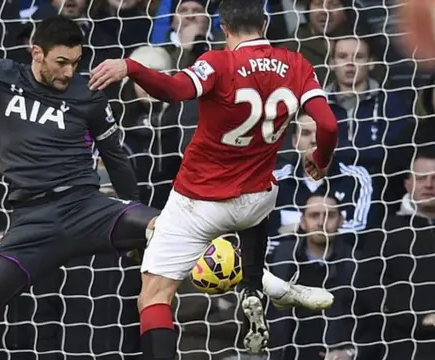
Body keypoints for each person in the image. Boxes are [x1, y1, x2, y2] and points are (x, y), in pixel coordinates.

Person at [0, 10, 334, 360]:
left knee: (174, 229)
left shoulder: (86, 94)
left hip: (89, 206)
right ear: (36, 53)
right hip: (31, 221)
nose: (68, 72)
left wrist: (131, 209)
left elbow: (116, 155)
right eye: (61, 62)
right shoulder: (2, 77)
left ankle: (273, 287)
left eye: (75, 63)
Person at [89, 0, 339, 356]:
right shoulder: (296, 64)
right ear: (265, 24)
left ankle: (256, 288)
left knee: (154, 297)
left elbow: (173, 91)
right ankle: (255, 287)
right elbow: (328, 124)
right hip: (256, 199)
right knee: (258, 200)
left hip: (199, 201)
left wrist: (131, 66)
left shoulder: (218, 62)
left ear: (223, 28)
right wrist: (321, 158)